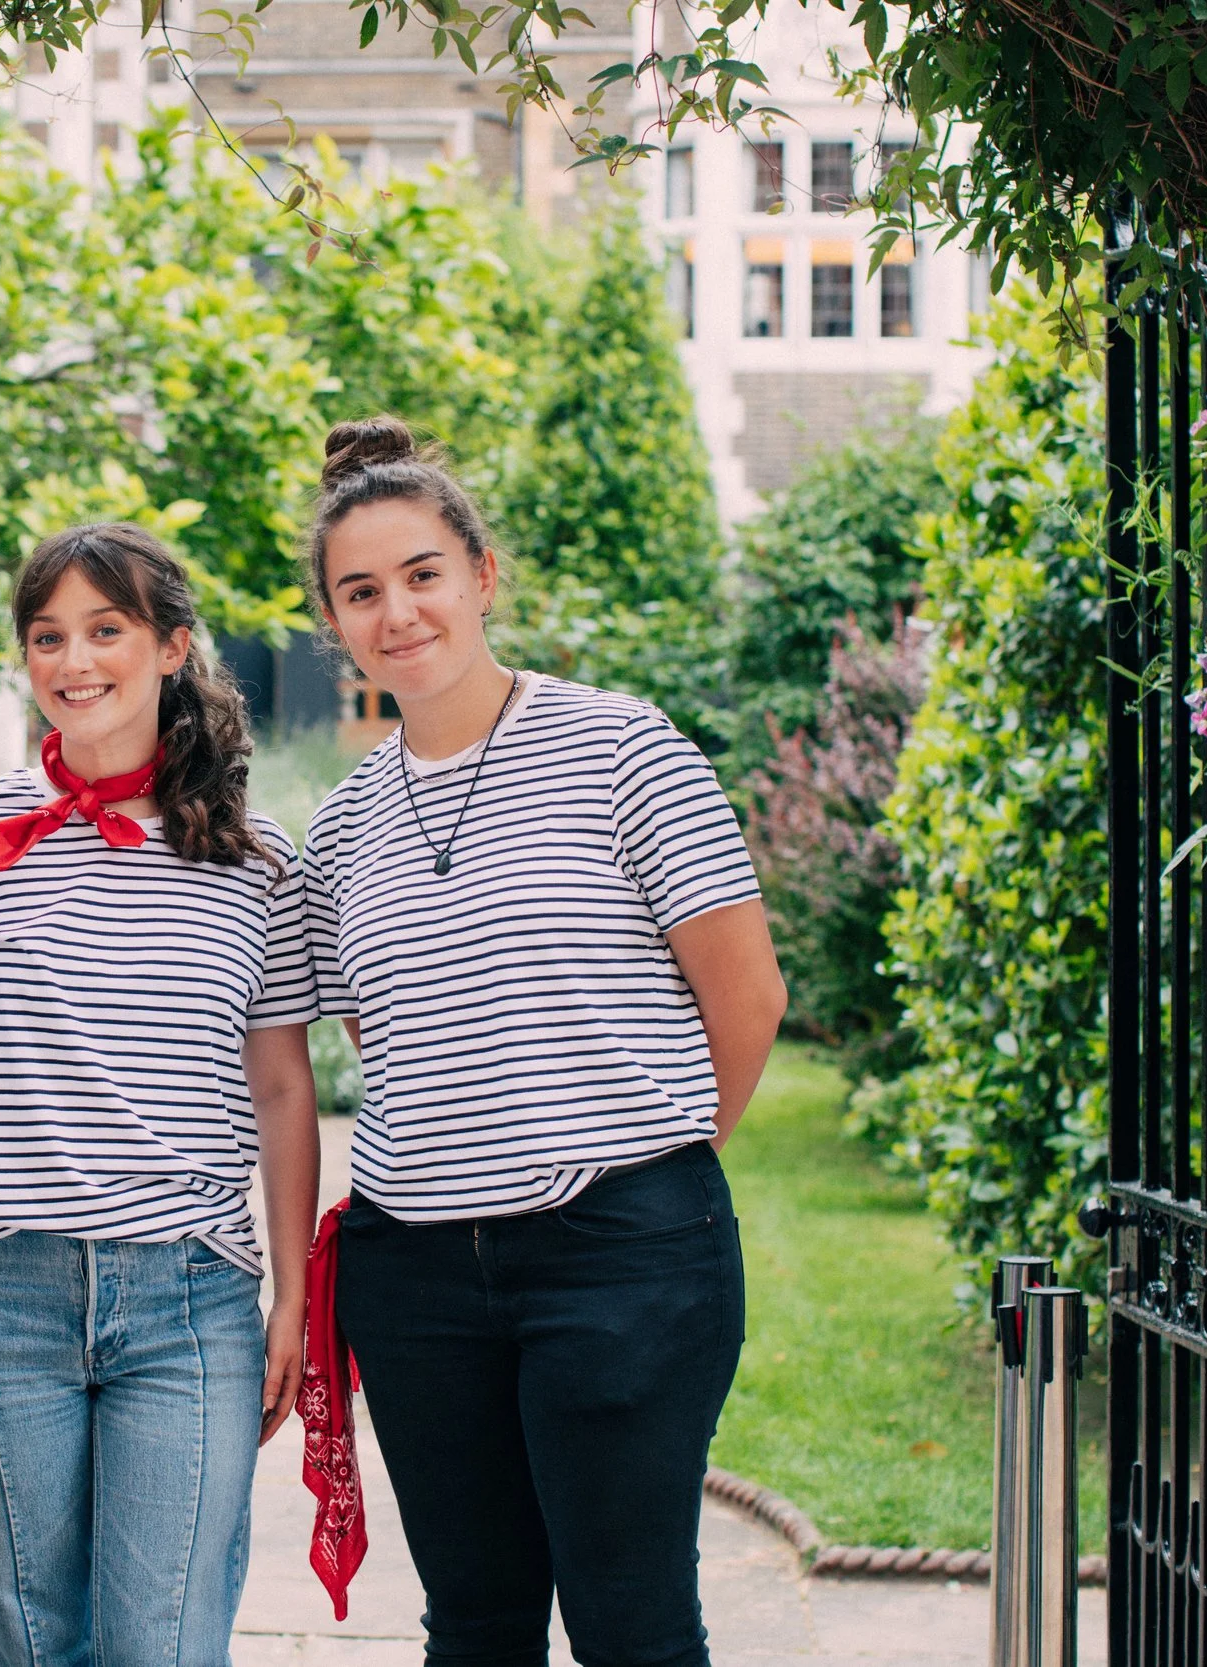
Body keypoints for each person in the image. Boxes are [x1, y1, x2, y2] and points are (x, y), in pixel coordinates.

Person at [299, 418, 787, 1667]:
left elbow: (747, 997)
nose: (396, 611)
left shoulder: (624, 747)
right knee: (473, 1626)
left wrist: (645, 1160)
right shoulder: (345, 824)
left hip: (621, 1255)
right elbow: (388, 1033)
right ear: (334, 621)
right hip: (412, 1275)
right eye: (361, 592)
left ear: (479, 575)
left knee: (630, 1623)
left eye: (421, 574)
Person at [0, 524, 323, 1667]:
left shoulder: (255, 856)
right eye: (47, 636)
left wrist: (288, 1299)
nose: (74, 660)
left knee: (167, 1644)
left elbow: (281, 1087)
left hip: (188, 1296)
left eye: (106, 630)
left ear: (172, 645)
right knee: (33, 1643)